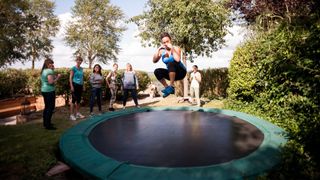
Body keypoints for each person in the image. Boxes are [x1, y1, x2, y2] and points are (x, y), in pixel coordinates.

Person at [152, 32, 186, 97]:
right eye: (164, 42)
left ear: (170, 40)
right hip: (172, 73)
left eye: (167, 41)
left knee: (171, 63)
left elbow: (178, 59)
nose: (166, 43)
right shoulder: (162, 51)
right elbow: (154, 61)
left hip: (181, 72)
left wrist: (172, 49)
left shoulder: (176, 48)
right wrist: (158, 49)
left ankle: (171, 86)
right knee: (157, 71)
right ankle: (168, 88)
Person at [40, 58, 61, 130]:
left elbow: (49, 78)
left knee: (47, 107)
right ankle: (48, 125)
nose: (52, 64)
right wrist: (58, 77)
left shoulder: (44, 71)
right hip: (49, 91)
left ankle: (45, 123)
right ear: (47, 64)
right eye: (50, 63)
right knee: (50, 108)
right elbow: (51, 82)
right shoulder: (49, 71)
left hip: (44, 90)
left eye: (52, 63)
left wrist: (53, 70)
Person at [69, 56, 85, 121]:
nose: (79, 61)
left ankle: (77, 113)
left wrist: (83, 85)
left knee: (78, 100)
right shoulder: (73, 68)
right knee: (73, 100)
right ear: (76, 61)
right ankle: (71, 115)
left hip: (80, 86)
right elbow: (70, 78)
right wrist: (71, 86)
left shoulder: (81, 69)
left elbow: (82, 78)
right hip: (75, 85)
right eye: (78, 60)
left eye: (80, 60)